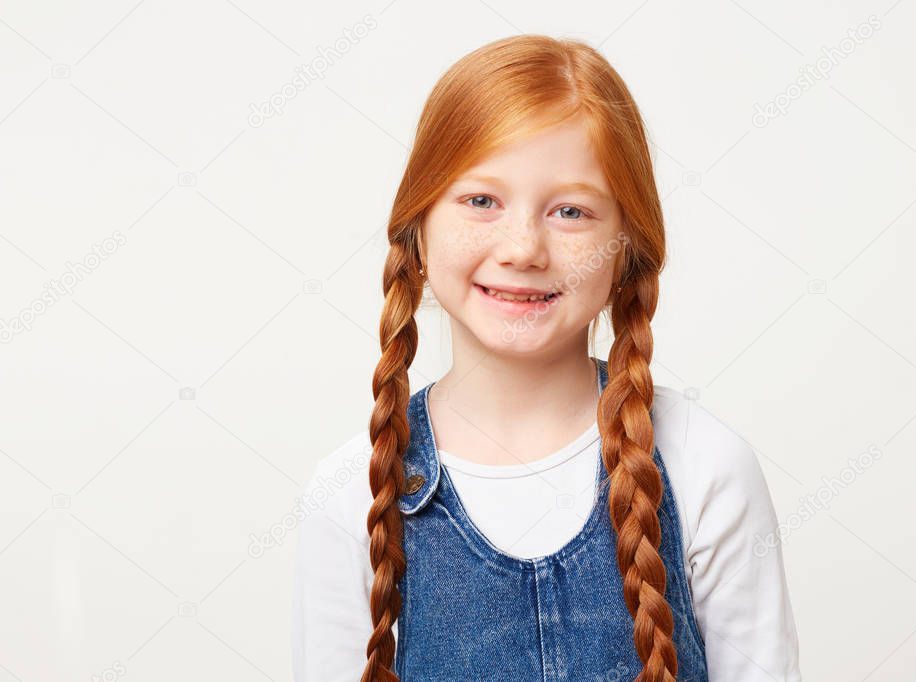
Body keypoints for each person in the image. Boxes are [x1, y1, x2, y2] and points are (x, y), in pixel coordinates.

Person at [292, 34, 801, 681]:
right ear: (417, 228)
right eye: (481, 201)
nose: (523, 247)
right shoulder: (351, 493)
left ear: (627, 247)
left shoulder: (705, 467)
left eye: (569, 211)